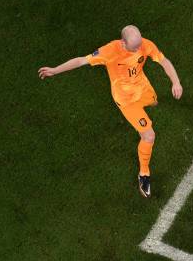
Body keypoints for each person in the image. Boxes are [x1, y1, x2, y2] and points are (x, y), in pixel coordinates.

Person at [38, 25, 183, 197]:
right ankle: (144, 173)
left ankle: (151, 105)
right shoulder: (109, 51)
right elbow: (81, 61)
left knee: (154, 102)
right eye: (134, 47)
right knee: (149, 136)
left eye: (139, 45)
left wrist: (176, 82)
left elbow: (164, 61)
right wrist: (55, 70)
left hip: (143, 89)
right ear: (122, 43)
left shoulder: (145, 44)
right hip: (127, 101)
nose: (139, 49)